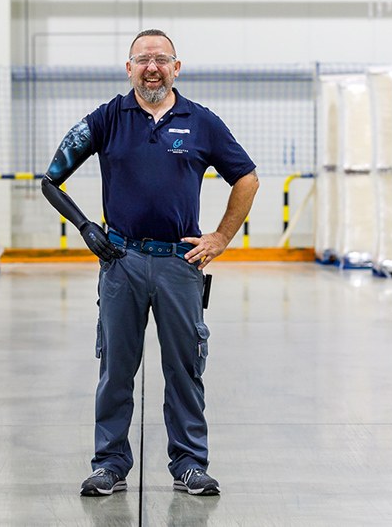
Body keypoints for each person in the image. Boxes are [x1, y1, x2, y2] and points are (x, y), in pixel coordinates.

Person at [41, 29, 259, 497]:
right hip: (121, 262)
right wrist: (85, 227)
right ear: (129, 68)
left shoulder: (200, 122)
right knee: (116, 368)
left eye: (161, 59)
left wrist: (220, 237)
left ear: (176, 67)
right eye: (143, 60)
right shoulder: (107, 119)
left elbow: (247, 179)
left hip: (180, 265)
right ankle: (110, 464)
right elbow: (51, 179)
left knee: (185, 368)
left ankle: (189, 464)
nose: (152, 67)